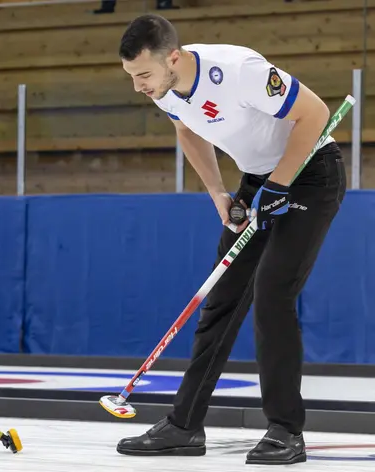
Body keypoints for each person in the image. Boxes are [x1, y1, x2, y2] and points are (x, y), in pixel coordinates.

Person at [114, 14, 346, 466]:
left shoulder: (237, 71)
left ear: (173, 58)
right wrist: (220, 192)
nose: (138, 86)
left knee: (273, 293)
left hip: (311, 175)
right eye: (131, 76)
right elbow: (187, 130)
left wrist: (280, 185)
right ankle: (184, 426)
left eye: (143, 74)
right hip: (260, 180)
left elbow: (315, 113)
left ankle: (284, 431)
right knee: (223, 297)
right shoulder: (165, 89)